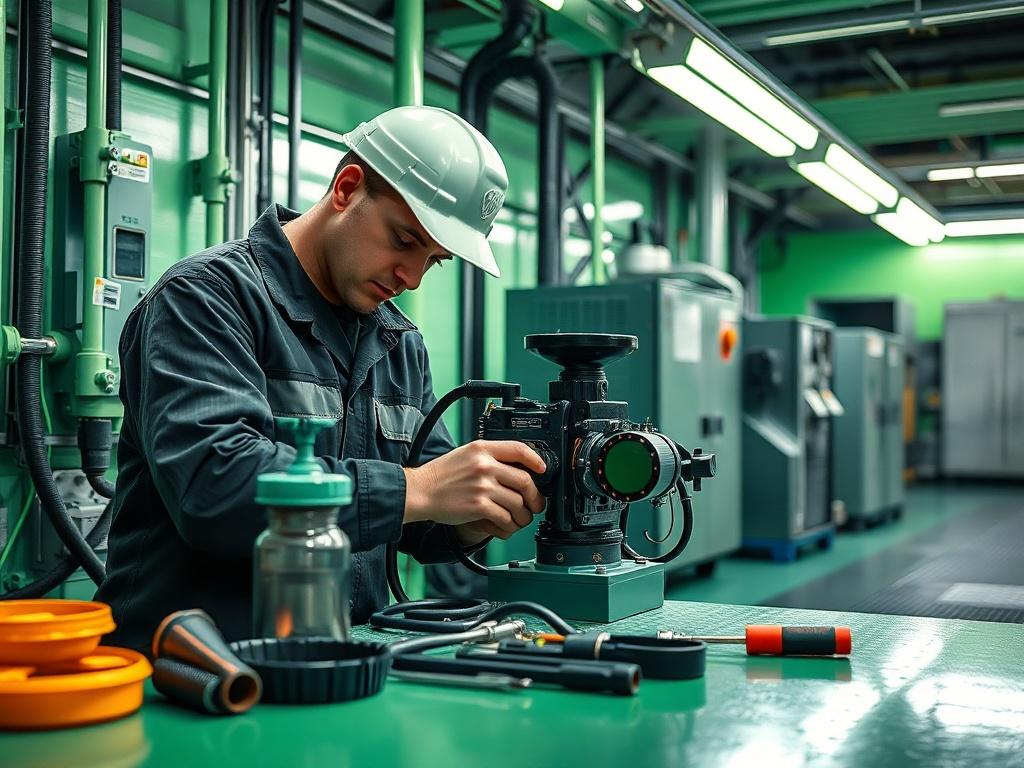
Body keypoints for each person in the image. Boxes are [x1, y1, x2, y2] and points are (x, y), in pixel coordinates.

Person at [96, 106, 546, 650]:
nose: (411, 278)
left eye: (433, 260)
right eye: (405, 240)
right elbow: (215, 488)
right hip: (194, 669)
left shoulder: (399, 344)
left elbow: (419, 515)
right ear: (347, 188)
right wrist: (421, 489)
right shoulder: (205, 300)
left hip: (341, 661)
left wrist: (477, 512)